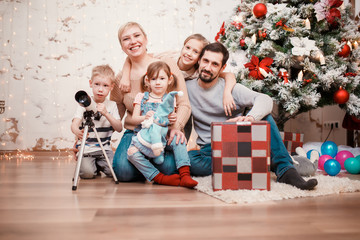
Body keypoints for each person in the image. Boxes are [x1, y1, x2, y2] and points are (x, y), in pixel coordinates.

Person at [186, 42, 318, 190]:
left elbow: (265, 100)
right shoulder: (187, 88)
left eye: (215, 64)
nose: (208, 68)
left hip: (238, 145)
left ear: (222, 68)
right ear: (199, 61)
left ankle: (285, 170)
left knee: (265, 117)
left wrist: (250, 118)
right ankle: (255, 165)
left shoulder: (231, 89)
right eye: (205, 61)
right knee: (188, 161)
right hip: (209, 151)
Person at [110, 22, 191, 182]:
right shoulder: (121, 79)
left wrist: (176, 127)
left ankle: (145, 166)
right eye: (126, 39)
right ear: (122, 46)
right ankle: (143, 163)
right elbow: (115, 113)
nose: (132, 41)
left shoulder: (166, 64)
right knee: (123, 173)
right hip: (135, 133)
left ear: (146, 39)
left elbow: (184, 103)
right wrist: (89, 137)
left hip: (163, 130)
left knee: (169, 168)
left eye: (137, 35)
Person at [118, 33, 237, 117]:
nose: (189, 53)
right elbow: (136, 57)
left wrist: (227, 93)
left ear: (201, 58)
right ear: (183, 47)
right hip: (157, 100)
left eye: (195, 52)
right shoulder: (168, 57)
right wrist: (125, 75)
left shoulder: (199, 71)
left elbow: (229, 75)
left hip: (178, 103)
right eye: (187, 48)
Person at [127, 61, 197, 188]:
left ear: (169, 80)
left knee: (178, 138)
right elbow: (134, 119)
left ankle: (185, 175)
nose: (158, 82)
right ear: (147, 81)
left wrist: (172, 119)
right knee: (131, 153)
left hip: (162, 139)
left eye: (162, 78)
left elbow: (169, 126)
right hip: (144, 138)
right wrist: (145, 117)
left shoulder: (170, 99)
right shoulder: (141, 97)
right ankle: (159, 178)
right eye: (153, 79)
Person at [71, 65, 122, 179]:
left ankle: (98, 164)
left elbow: (119, 128)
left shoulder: (112, 105)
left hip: (104, 149)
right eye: (97, 84)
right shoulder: (83, 103)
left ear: (111, 87)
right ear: (90, 83)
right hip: (87, 149)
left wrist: (106, 114)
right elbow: (74, 123)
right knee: (87, 174)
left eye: (105, 86)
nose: (100, 89)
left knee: (116, 171)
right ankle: (90, 165)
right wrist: (76, 132)